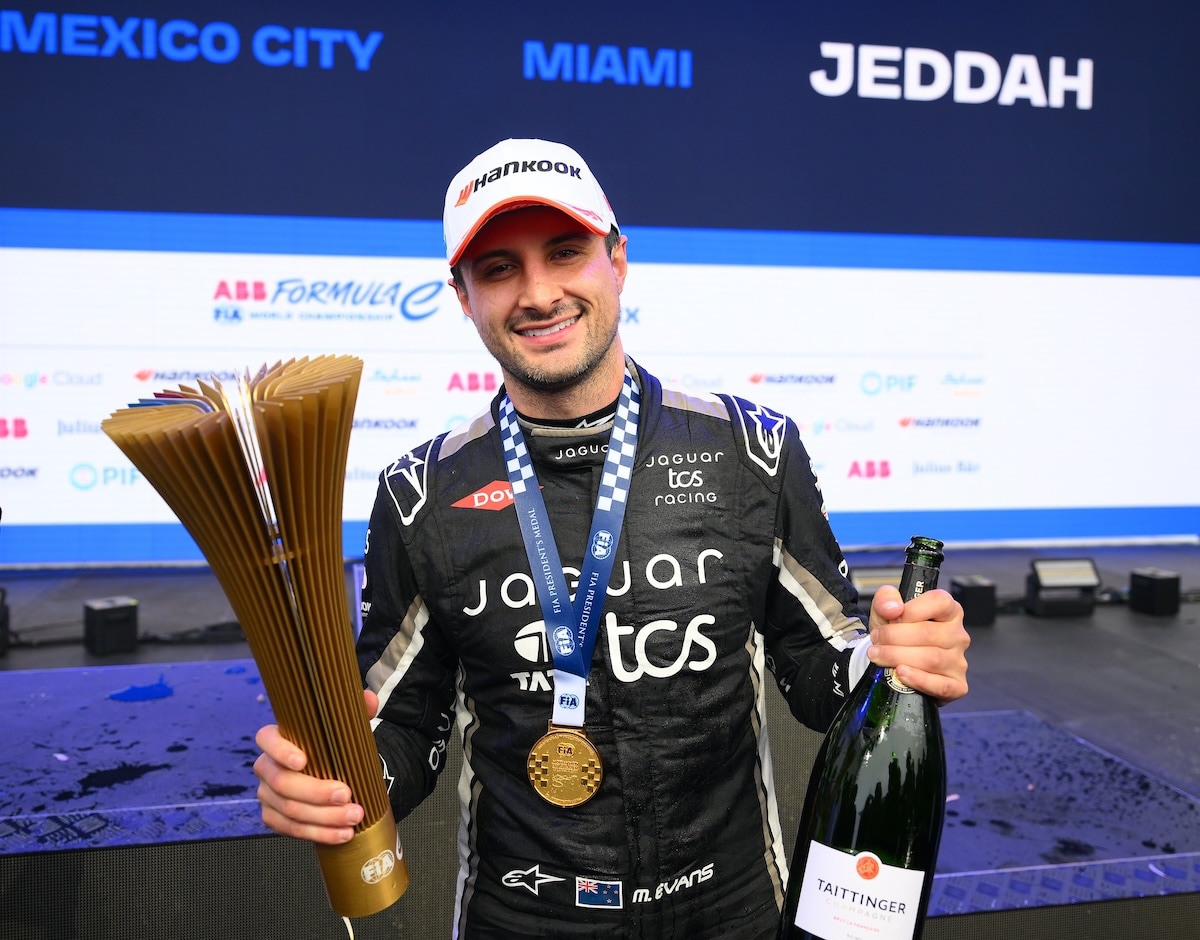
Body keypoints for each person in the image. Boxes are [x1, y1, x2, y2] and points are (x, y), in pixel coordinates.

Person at [254, 138, 970, 938]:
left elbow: (819, 669)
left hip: (730, 911)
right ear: (462, 296)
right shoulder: (421, 493)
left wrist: (894, 659)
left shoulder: (751, 450)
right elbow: (403, 724)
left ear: (618, 260)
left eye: (566, 252)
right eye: (498, 268)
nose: (538, 293)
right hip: (523, 917)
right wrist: (338, 783)